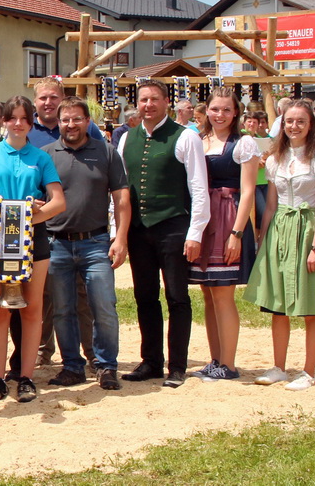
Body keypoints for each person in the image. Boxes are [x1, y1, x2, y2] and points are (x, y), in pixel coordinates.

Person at [0, 95, 66, 402]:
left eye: (25, 118)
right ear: (4, 121)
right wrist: (15, 207)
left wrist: (33, 214)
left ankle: (26, 376)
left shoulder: (41, 157)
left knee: (32, 309)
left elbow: (58, 201)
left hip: (34, 241)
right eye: (12, 118)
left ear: (31, 122)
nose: (18, 123)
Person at [116, 79, 209, 388]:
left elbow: (198, 188)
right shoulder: (126, 138)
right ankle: (151, 361)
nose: (148, 105)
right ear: (137, 104)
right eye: (144, 99)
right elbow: (119, 193)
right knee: (145, 296)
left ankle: (178, 366)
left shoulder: (185, 137)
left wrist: (195, 233)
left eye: (155, 99)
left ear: (166, 102)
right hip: (139, 230)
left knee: (177, 296)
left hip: (173, 226)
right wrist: (120, 232)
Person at [244, 99, 315, 390]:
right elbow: (270, 205)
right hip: (279, 230)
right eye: (289, 121)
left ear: (311, 126)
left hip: (308, 230)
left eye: (300, 121)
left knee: (310, 306)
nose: (293, 126)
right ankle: (279, 367)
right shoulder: (274, 159)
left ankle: (308, 372)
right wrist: (262, 240)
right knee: (278, 306)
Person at [42, 97, 130, 390]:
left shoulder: (106, 152)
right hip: (57, 243)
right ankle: (71, 367)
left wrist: (121, 238)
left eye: (77, 119)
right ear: (59, 122)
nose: (71, 124)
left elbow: (121, 199)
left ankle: (106, 367)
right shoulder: (47, 155)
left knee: (104, 307)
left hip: (96, 242)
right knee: (62, 310)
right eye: (65, 119)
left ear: (87, 120)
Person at [186, 88, 260, 381]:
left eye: (226, 110)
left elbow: (250, 190)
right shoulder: (198, 141)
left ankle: (228, 364)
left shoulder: (244, 144)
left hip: (228, 216)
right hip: (204, 219)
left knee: (223, 294)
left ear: (236, 113)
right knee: (207, 292)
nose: (220, 115)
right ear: (206, 110)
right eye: (215, 109)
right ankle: (215, 359)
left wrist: (237, 233)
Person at [27, 77, 105, 148]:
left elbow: (103, 155)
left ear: (63, 98)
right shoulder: (24, 128)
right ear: (35, 101)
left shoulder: (85, 126)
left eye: (53, 97)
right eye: (43, 98)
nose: (48, 103)